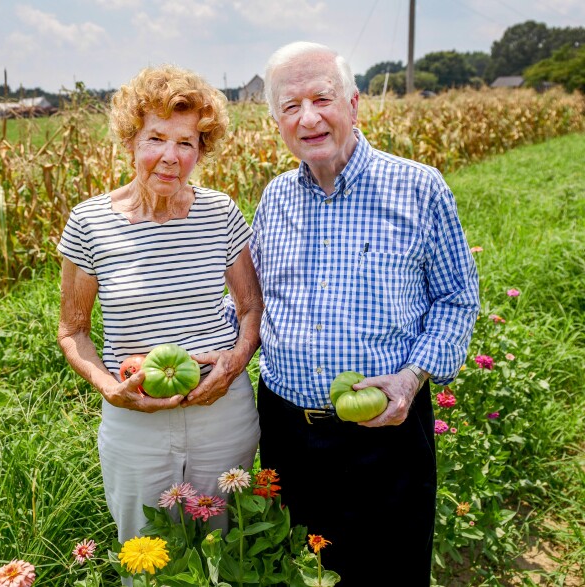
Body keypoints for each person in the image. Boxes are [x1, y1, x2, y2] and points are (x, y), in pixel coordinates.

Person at [251, 42, 480, 585]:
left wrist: (410, 379)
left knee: (390, 571)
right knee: (300, 570)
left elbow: (456, 299)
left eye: (321, 98)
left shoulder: (419, 188)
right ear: (276, 121)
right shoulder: (275, 198)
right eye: (290, 106)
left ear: (353, 104)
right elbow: (252, 304)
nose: (308, 118)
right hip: (287, 433)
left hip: (387, 433)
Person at [56, 65, 262, 551]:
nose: (171, 157)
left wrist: (232, 366)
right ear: (130, 141)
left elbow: (251, 309)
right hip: (136, 417)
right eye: (156, 138)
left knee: (222, 548)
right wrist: (111, 389)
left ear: (200, 150)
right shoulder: (90, 222)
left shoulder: (221, 212)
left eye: (186, 143)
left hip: (223, 409)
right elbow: (73, 330)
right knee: (146, 552)